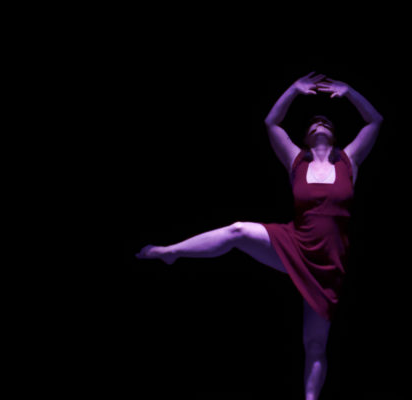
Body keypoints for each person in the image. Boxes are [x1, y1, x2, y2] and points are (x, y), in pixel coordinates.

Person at [136, 72, 382, 400]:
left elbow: (375, 121)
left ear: (334, 135)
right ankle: (170, 251)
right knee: (238, 229)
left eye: (326, 122)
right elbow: (272, 123)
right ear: (307, 136)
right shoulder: (296, 160)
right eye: (314, 122)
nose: (320, 123)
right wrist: (293, 89)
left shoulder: (349, 161)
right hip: (294, 244)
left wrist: (348, 91)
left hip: (329, 263)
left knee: (315, 345)